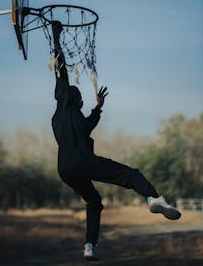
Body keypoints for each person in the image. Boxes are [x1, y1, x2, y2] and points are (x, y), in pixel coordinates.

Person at [51, 21, 181, 261]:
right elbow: (61, 71)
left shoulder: (67, 118)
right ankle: (154, 198)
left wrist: (98, 108)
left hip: (65, 169)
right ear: (74, 99)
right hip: (83, 162)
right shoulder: (65, 104)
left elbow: (89, 124)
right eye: (78, 94)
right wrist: (56, 37)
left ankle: (90, 245)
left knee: (94, 202)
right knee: (132, 175)